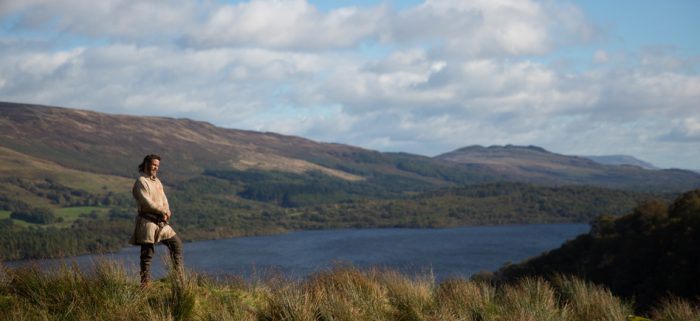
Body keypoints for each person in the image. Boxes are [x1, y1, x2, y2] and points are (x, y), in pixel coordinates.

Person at [130, 154, 183, 286]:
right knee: (147, 254)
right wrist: (163, 211)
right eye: (153, 164)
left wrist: (167, 211)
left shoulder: (157, 181)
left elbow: (164, 198)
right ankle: (145, 283)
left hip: (161, 222)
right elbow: (146, 203)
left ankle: (178, 278)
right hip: (147, 222)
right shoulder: (141, 182)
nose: (155, 167)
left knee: (176, 245)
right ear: (146, 164)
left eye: (157, 165)